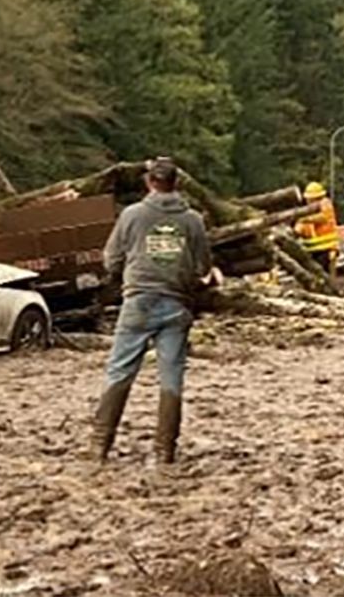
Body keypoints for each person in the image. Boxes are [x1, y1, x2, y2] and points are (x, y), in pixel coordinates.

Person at [90, 157, 212, 464]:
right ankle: (164, 451)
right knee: (171, 377)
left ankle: (99, 446)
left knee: (120, 370)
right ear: (177, 183)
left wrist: (123, 272)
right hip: (177, 304)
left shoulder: (132, 215)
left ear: (149, 182)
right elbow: (203, 266)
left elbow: (111, 258)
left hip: (139, 301)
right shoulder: (193, 220)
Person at [295, 182, 339, 275]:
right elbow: (301, 228)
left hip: (326, 248)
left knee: (324, 274)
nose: (309, 201)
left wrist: (305, 219)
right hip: (312, 251)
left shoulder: (325, 203)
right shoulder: (306, 211)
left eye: (310, 199)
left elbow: (323, 217)